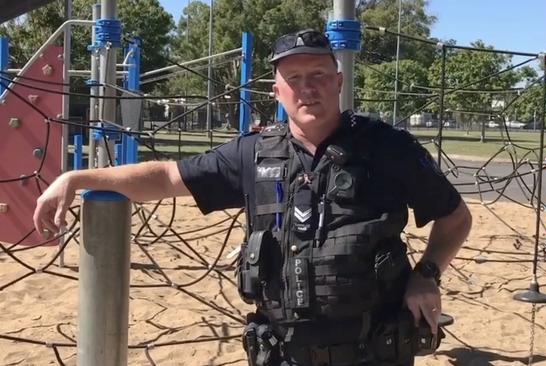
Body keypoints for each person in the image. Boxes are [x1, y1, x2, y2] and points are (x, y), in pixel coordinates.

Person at [33, 29, 472, 366]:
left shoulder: (387, 148)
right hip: (282, 353)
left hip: (371, 350)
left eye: (319, 75)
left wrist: (427, 274)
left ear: (339, 81)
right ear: (275, 90)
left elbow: (454, 217)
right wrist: (78, 176)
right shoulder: (253, 153)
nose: (308, 88)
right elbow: (166, 176)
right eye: (294, 78)